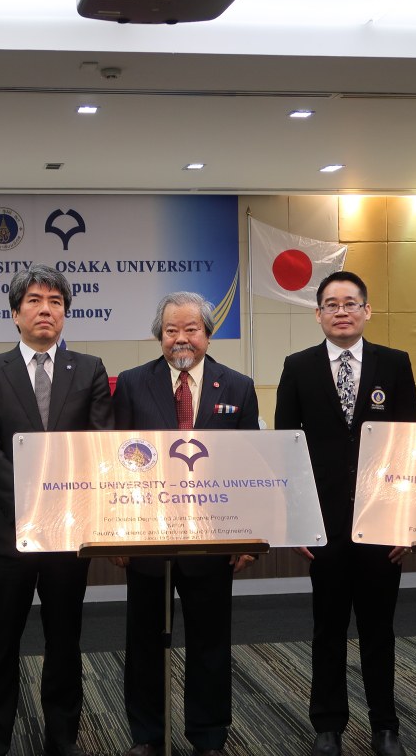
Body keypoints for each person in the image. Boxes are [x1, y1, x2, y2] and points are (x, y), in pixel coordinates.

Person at [0, 264, 114, 756]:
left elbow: (98, 442)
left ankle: (62, 737)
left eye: (55, 301)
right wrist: (34, 503)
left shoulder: (90, 369)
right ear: (15, 314)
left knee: (64, 638)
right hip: (9, 527)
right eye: (34, 300)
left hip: (69, 529)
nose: (45, 309)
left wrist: (60, 505)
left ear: (66, 313)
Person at [274, 271, 416, 756]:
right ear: (318, 314)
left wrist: (407, 521)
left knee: (380, 630)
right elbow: (287, 450)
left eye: (351, 302)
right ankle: (328, 725)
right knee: (328, 629)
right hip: (324, 524)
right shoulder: (298, 366)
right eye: (332, 304)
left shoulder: (394, 364)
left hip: (381, 521)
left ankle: (385, 726)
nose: (342, 311)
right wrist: (295, 520)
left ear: (367, 311)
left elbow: (410, 447)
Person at [111, 291, 259, 756]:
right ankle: (147, 736)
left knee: (210, 642)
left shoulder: (237, 386)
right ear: (159, 336)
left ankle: (209, 737)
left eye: (191, 329)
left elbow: (249, 465)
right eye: (171, 330)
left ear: (208, 335)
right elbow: (116, 462)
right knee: (144, 642)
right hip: (147, 536)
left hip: (214, 537)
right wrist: (117, 533)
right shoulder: (132, 384)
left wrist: (248, 538)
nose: (181, 338)